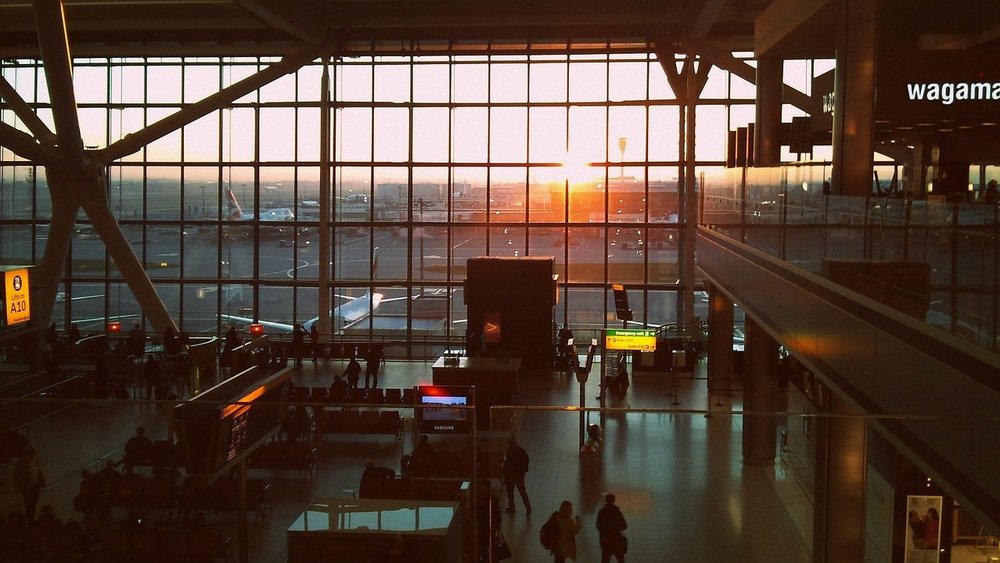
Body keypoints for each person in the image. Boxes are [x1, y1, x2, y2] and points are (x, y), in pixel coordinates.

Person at [13, 443, 46, 525]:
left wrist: (42, 481)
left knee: (33, 504)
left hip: (35, 486)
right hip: (27, 487)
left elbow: (38, 471)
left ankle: (31, 522)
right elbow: (15, 476)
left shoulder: (34, 460)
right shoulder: (21, 462)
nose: (32, 452)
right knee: (29, 505)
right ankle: (30, 523)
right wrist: (18, 487)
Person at [502, 436, 531, 515]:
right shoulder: (522, 452)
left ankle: (512, 507)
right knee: (521, 492)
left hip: (512, 476)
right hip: (517, 476)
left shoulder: (509, 452)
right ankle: (528, 507)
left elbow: (506, 464)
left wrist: (505, 473)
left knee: (512, 493)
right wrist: (523, 473)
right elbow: (526, 463)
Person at [596, 493, 628, 563]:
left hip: (605, 541)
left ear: (606, 500)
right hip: (616, 539)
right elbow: (624, 526)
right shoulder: (617, 512)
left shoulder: (601, 512)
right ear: (614, 500)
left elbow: (598, 525)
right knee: (620, 559)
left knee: (605, 559)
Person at [475, 479, 501, 563]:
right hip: (482, 527)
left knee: (490, 546)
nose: (480, 488)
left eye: (481, 486)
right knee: (483, 546)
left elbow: (497, 515)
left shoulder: (493, 500)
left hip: (489, 528)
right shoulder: (478, 498)